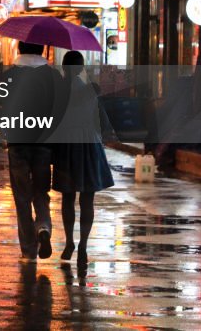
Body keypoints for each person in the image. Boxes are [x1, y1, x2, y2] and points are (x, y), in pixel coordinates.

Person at [50, 51, 115, 269]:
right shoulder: (90, 92)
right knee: (87, 199)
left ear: (63, 68)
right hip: (89, 146)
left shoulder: (57, 92)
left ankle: (69, 242)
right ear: (81, 69)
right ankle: (84, 247)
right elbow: (104, 123)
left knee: (68, 198)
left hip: (66, 146)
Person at [1, 41, 60, 262]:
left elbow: (1, 105)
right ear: (43, 50)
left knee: (22, 197)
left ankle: (29, 250)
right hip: (44, 143)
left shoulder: (9, 75)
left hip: (17, 142)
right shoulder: (53, 77)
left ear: (19, 49)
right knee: (41, 192)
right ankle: (43, 226)